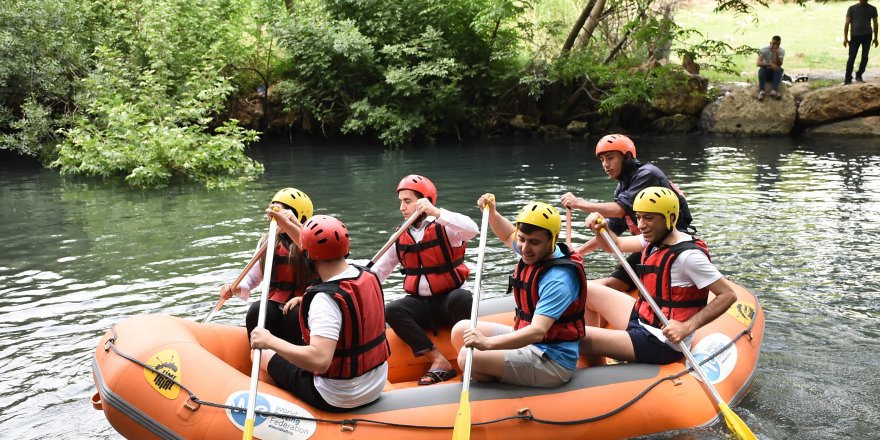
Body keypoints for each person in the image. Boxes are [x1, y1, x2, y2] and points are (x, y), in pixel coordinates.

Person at [579, 187, 736, 365]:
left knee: (577, 336)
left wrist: (686, 327)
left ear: (670, 218)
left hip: (660, 341)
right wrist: (603, 229)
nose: (640, 225)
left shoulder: (688, 257)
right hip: (643, 318)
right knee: (585, 290)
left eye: (649, 218)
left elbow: (728, 295)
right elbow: (613, 245)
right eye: (638, 217)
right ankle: (598, 353)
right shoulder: (653, 240)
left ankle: (597, 372)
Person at [250, 215, 389, 411]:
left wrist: (269, 340)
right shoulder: (366, 274)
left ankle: (276, 406)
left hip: (337, 396)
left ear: (307, 256)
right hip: (376, 384)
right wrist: (285, 223)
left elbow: (320, 361)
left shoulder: (324, 300)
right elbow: (315, 250)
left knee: (261, 353)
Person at [450, 197, 587, 388]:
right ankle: (487, 371)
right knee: (461, 330)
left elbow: (537, 331)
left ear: (552, 240)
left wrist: (487, 344)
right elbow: (507, 235)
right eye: (521, 239)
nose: (525, 248)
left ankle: (488, 376)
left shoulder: (559, 279)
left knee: (467, 357)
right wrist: (493, 213)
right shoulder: (534, 251)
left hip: (550, 361)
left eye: (534, 242)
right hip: (528, 342)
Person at [371, 175, 478, 385]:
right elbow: (378, 272)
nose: (402, 207)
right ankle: (439, 361)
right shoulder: (400, 235)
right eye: (401, 201)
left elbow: (472, 230)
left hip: (450, 303)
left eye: (408, 201)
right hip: (421, 305)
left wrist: (437, 213)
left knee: (462, 297)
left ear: (425, 201)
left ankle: (469, 361)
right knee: (392, 309)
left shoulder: (446, 227)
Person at [560, 134, 694, 292]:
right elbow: (612, 228)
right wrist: (579, 252)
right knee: (612, 284)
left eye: (610, 158)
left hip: (672, 245)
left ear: (628, 156)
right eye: (602, 160)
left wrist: (579, 204)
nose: (605, 164)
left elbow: (619, 209)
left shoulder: (647, 174)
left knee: (614, 285)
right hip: (648, 245)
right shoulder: (621, 188)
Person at [218, 188, 315, 345]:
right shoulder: (268, 242)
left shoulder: (311, 242)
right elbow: (253, 278)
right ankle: (262, 358)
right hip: (275, 302)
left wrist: (294, 225)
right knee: (256, 311)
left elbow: (325, 272)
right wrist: (235, 287)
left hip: (304, 303)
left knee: (294, 315)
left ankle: (297, 362)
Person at [844, 0, 879, 84]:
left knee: (865, 56)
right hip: (855, 36)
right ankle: (848, 78)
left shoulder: (872, 9)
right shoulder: (852, 8)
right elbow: (847, 23)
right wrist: (845, 38)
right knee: (851, 57)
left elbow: (875, 23)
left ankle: (859, 75)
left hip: (867, 36)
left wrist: (875, 38)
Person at [756, 35, 785, 100]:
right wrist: (770, 64)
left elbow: (780, 64)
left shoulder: (781, 51)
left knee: (780, 69)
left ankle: (774, 90)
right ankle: (762, 91)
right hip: (766, 72)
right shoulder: (764, 50)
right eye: (774, 44)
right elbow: (758, 63)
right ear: (770, 43)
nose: (775, 46)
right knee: (761, 69)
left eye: (778, 44)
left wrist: (776, 54)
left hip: (774, 73)